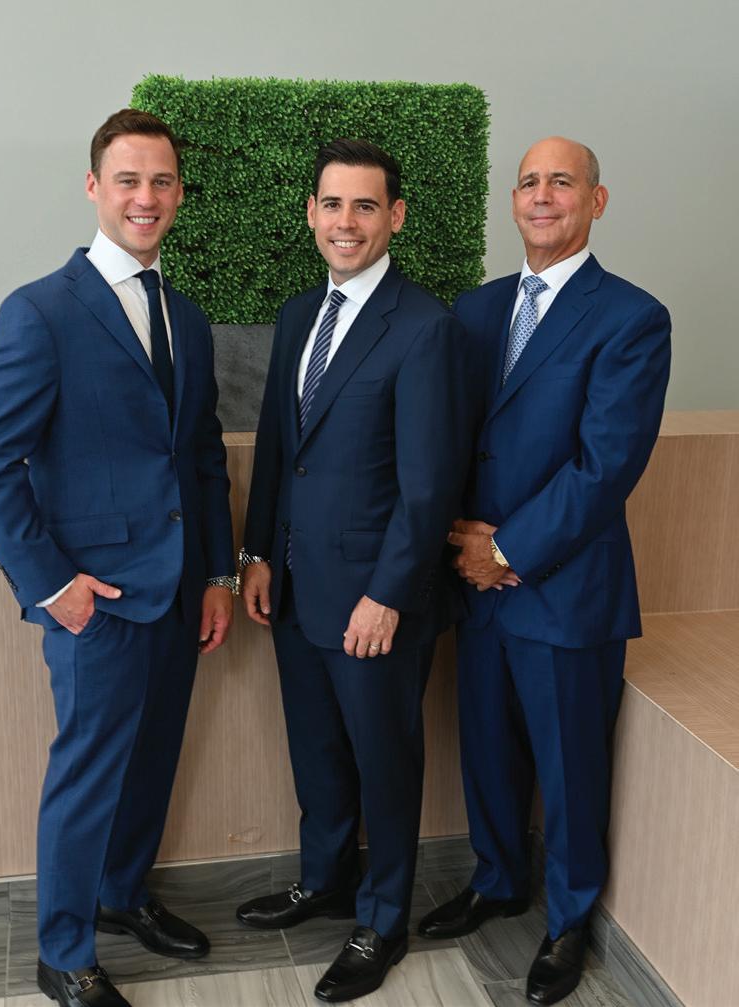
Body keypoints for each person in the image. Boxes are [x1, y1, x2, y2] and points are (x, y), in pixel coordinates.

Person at [0, 109, 235, 1007]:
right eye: (127, 180)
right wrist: (52, 587)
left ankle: (122, 895)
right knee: (88, 775)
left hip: (180, 588)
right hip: (97, 597)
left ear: (179, 194)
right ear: (94, 188)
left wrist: (218, 574)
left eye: (161, 181)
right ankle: (64, 952)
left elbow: (200, 455)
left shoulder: (186, 318)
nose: (145, 197)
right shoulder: (40, 310)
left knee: (152, 759)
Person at [418, 137, 672, 1005]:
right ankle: (497, 881)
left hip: (563, 590)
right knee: (486, 750)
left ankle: (567, 918)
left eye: (561, 182)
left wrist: (506, 550)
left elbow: (605, 466)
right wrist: (459, 544)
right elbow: (451, 436)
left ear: (594, 201)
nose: (540, 195)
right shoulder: (475, 309)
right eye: (527, 181)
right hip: (474, 584)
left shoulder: (630, 317)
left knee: (568, 767)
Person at [235, 138, 477, 1003]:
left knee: (384, 759)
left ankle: (382, 919)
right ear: (311, 212)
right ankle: (326, 879)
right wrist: (257, 554)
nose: (346, 221)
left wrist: (387, 594)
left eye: (364, 206)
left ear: (394, 217)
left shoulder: (425, 327)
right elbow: (279, 450)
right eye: (332, 204)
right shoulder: (300, 313)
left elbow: (428, 485)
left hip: (374, 600)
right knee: (317, 749)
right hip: (294, 585)